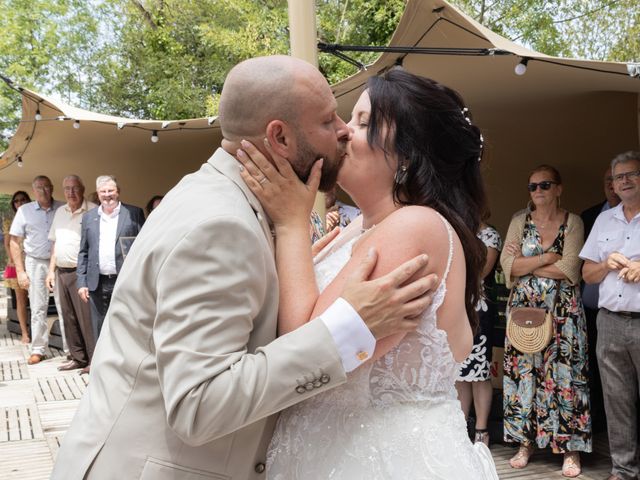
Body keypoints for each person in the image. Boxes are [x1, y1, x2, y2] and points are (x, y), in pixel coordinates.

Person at [51, 55, 437, 480]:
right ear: (280, 137)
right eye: (328, 121)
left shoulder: (215, 194)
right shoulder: (222, 224)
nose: (344, 130)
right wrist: (345, 331)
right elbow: (199, 404)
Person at [236, 68, 499, 478]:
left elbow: (303, 350)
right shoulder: (361, 227)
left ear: (407, 155)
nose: (342, 131)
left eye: (362, 122)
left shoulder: (415, 226)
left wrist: (291, 222)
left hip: (383, 458)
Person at [500, 165, 591, 478]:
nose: (538, 191)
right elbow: (506, 266)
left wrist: (526, 264)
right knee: (525, 375)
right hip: (525, 313)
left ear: (558, 189)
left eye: (545, 185)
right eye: (532, 186)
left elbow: (571, 270)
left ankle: (570, 449)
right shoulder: (517, 221)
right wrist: (546, 258)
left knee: (566, 376)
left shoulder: (574, 221)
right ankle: (525, 444)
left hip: (564, 314)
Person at [580, 151, 640, 480]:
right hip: (610, 322)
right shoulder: (605, 219)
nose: (625, 181)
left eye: (632, 174)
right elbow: (587, 273)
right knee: (616, 400)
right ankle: (623, 469)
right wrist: (607, 264)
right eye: (619, 177)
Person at [76, 175, 145, 344]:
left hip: (124, 281)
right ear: (98, 194)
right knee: (99, 327)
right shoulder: (88, 217)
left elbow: (144, 246)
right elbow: (83, 251)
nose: (107, 195)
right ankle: (102, 366)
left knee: (126, 325)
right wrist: (82, 282)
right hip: (97, 283)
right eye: (103, 191)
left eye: (110, 190)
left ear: (118, 192)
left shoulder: (134, 213)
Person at [580, 166, 620, 433]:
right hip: (592, 308)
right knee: (593, 369)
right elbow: (580, 265)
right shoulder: (591, 215)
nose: (612, 184)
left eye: (616, 179)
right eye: (609, 180)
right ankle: (599, 424)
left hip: (624, 311)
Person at [456, 218, 502, 446]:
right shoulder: (455, 229)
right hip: (456, 307)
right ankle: (461, 426)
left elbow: (483, 271)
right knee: (460, 372)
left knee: (480, 371)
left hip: (479, 309)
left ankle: (482, 429)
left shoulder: (489, 235)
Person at [9, 176, 64, 364]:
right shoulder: (25, 211)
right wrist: (20, 271)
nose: (44, 191)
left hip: (61, 263)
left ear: (53, 188)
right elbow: (14, 242)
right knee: (38, 307)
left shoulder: (63, 208)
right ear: (34, 191)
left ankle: (71, 348)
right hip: (36, 262)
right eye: (39, 188)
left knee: (65, 306)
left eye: (47, 187)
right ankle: (38, 349)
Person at [46, 175, 97, 372]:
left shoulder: (93, 210)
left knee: (87, 319)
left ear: (83, 189)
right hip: (61, 271)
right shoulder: (60, 212)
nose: (71, 192)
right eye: (67, 189)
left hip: (81, 272)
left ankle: (94, 360)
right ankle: (78, 357)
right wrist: (51, 271)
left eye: (75, 188)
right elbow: (54, 243)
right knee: (68, 317)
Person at [3, 190, 32, 343]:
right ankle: (25, 333)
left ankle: (39, 330)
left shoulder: (34, 215)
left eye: (23, 199)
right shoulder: (10, 220)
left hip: (34, 261)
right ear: (13, 204)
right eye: (16, 201)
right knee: (21, 299)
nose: (20, 202)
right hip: (17, 263)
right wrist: (15, 260)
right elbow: (7, 243)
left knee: (36, 298)